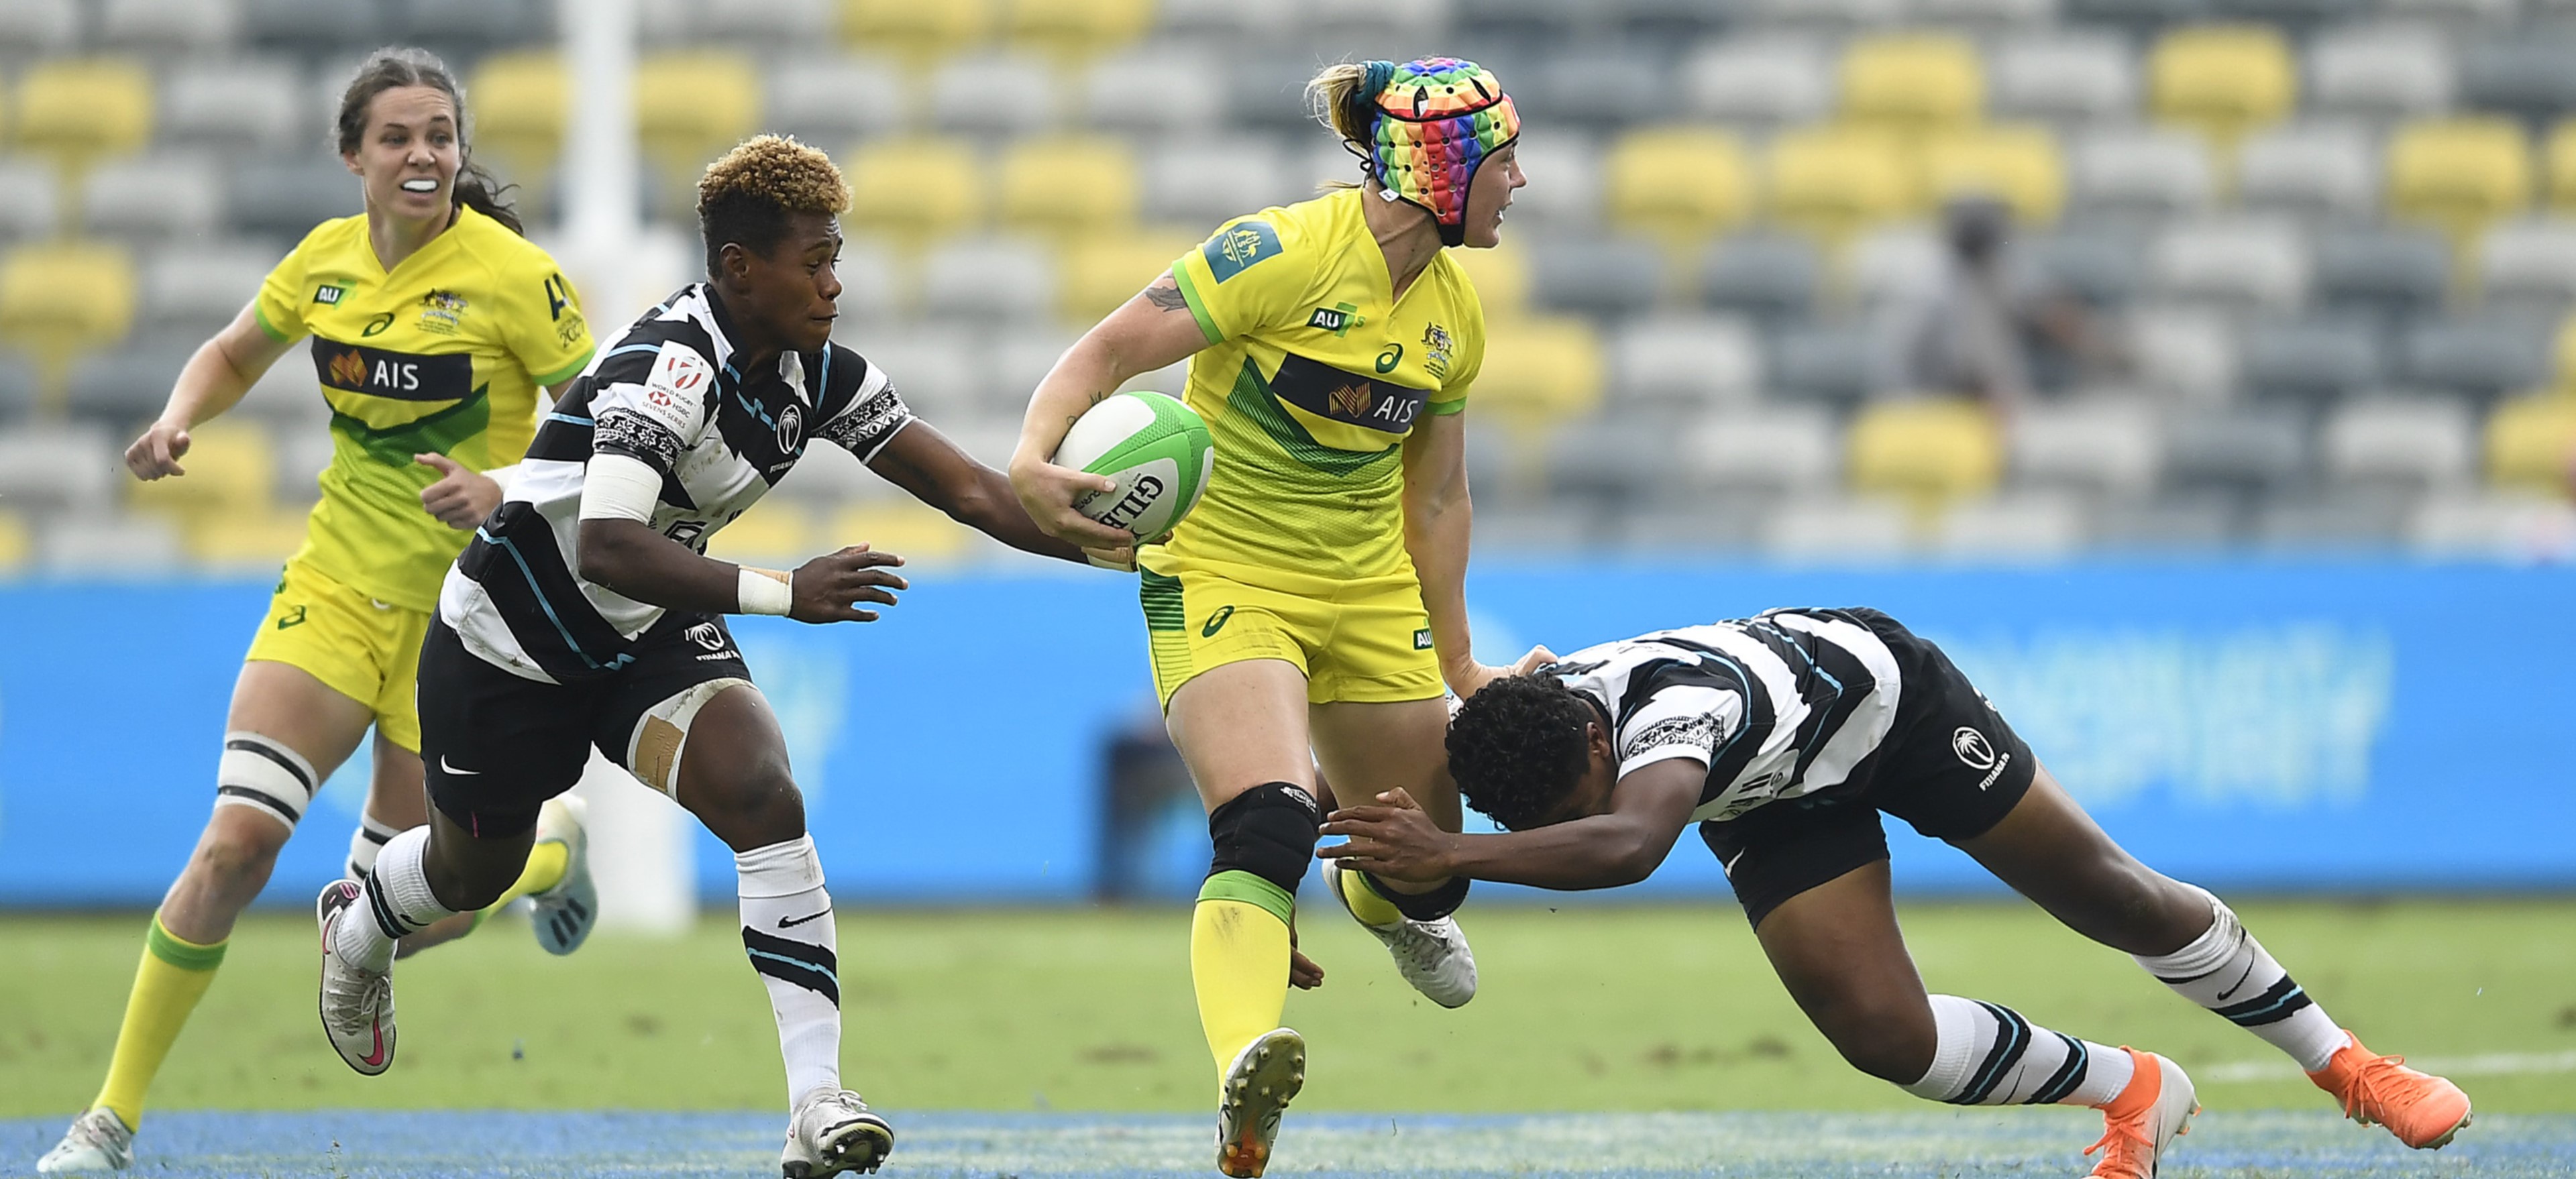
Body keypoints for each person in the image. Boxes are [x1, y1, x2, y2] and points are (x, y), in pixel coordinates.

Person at [313, 135, 1108, 1179]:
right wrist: (787, 592)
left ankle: (817, 1101)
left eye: (837, 256)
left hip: (641, 630)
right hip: (509, 640)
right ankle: (359, 924)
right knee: (476, 871)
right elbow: (605, 542)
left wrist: (1121, 545)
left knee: (762, 790)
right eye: (814, 260)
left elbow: (969, 490)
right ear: (740, 268)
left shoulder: (820, 373)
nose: (835, 282)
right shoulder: (668, 365)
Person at [1321, 607, 2473, 1179]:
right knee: (1882, 1035)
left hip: (1891, 713)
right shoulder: (1548, 725)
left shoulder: (1669, 722)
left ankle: (2349, 1063)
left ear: (1595, 737)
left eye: (1571, 800)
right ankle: (2135, 1092)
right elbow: (1583, 808)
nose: (1558, 831)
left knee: (2108, 894)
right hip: (1772, 789)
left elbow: (1627, 846)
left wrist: (1452, 858)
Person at [39, 48, 600, 1176]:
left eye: (440, 134)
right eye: (397, 136)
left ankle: (547, 856)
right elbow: (235, 348)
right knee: (237, 842)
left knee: (405, 910)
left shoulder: (516, 277)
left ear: (460, 152)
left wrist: (505, 490)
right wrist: (178, 416)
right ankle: (107, 1122)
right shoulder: (323, 266)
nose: (423, 154)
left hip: (465, 622)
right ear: (354, 155)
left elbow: (606, 424)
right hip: (335, 591)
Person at [1008, 56, 1536, 1178]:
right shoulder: (1280, 251)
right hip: (1225, 569)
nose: (1521, 181)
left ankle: (1380, 897)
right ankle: (1246, 1077)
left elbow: (1436, 497)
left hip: (1366, 589)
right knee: (1265, 820)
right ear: (1440, 167)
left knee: (1429, 868)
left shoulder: (1456, 318)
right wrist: (1030, 454)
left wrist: (1459, 661)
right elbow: (1104, 352)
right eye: (1504, 159)